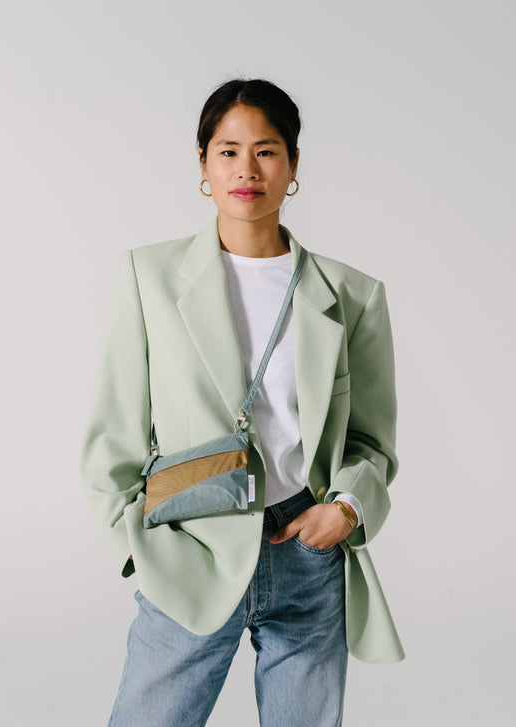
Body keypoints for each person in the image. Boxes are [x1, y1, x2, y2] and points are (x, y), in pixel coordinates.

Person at [81, 78, 404, 727]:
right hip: (190, 545)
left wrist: (344, 509)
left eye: (266, 151)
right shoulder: (149, 276)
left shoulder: (351, 294)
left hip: (305, 547)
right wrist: (138, 547)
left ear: (293, 164)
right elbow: (114, 433)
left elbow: (371, 442)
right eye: (227, 151)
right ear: (203, 163)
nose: (246, 170)